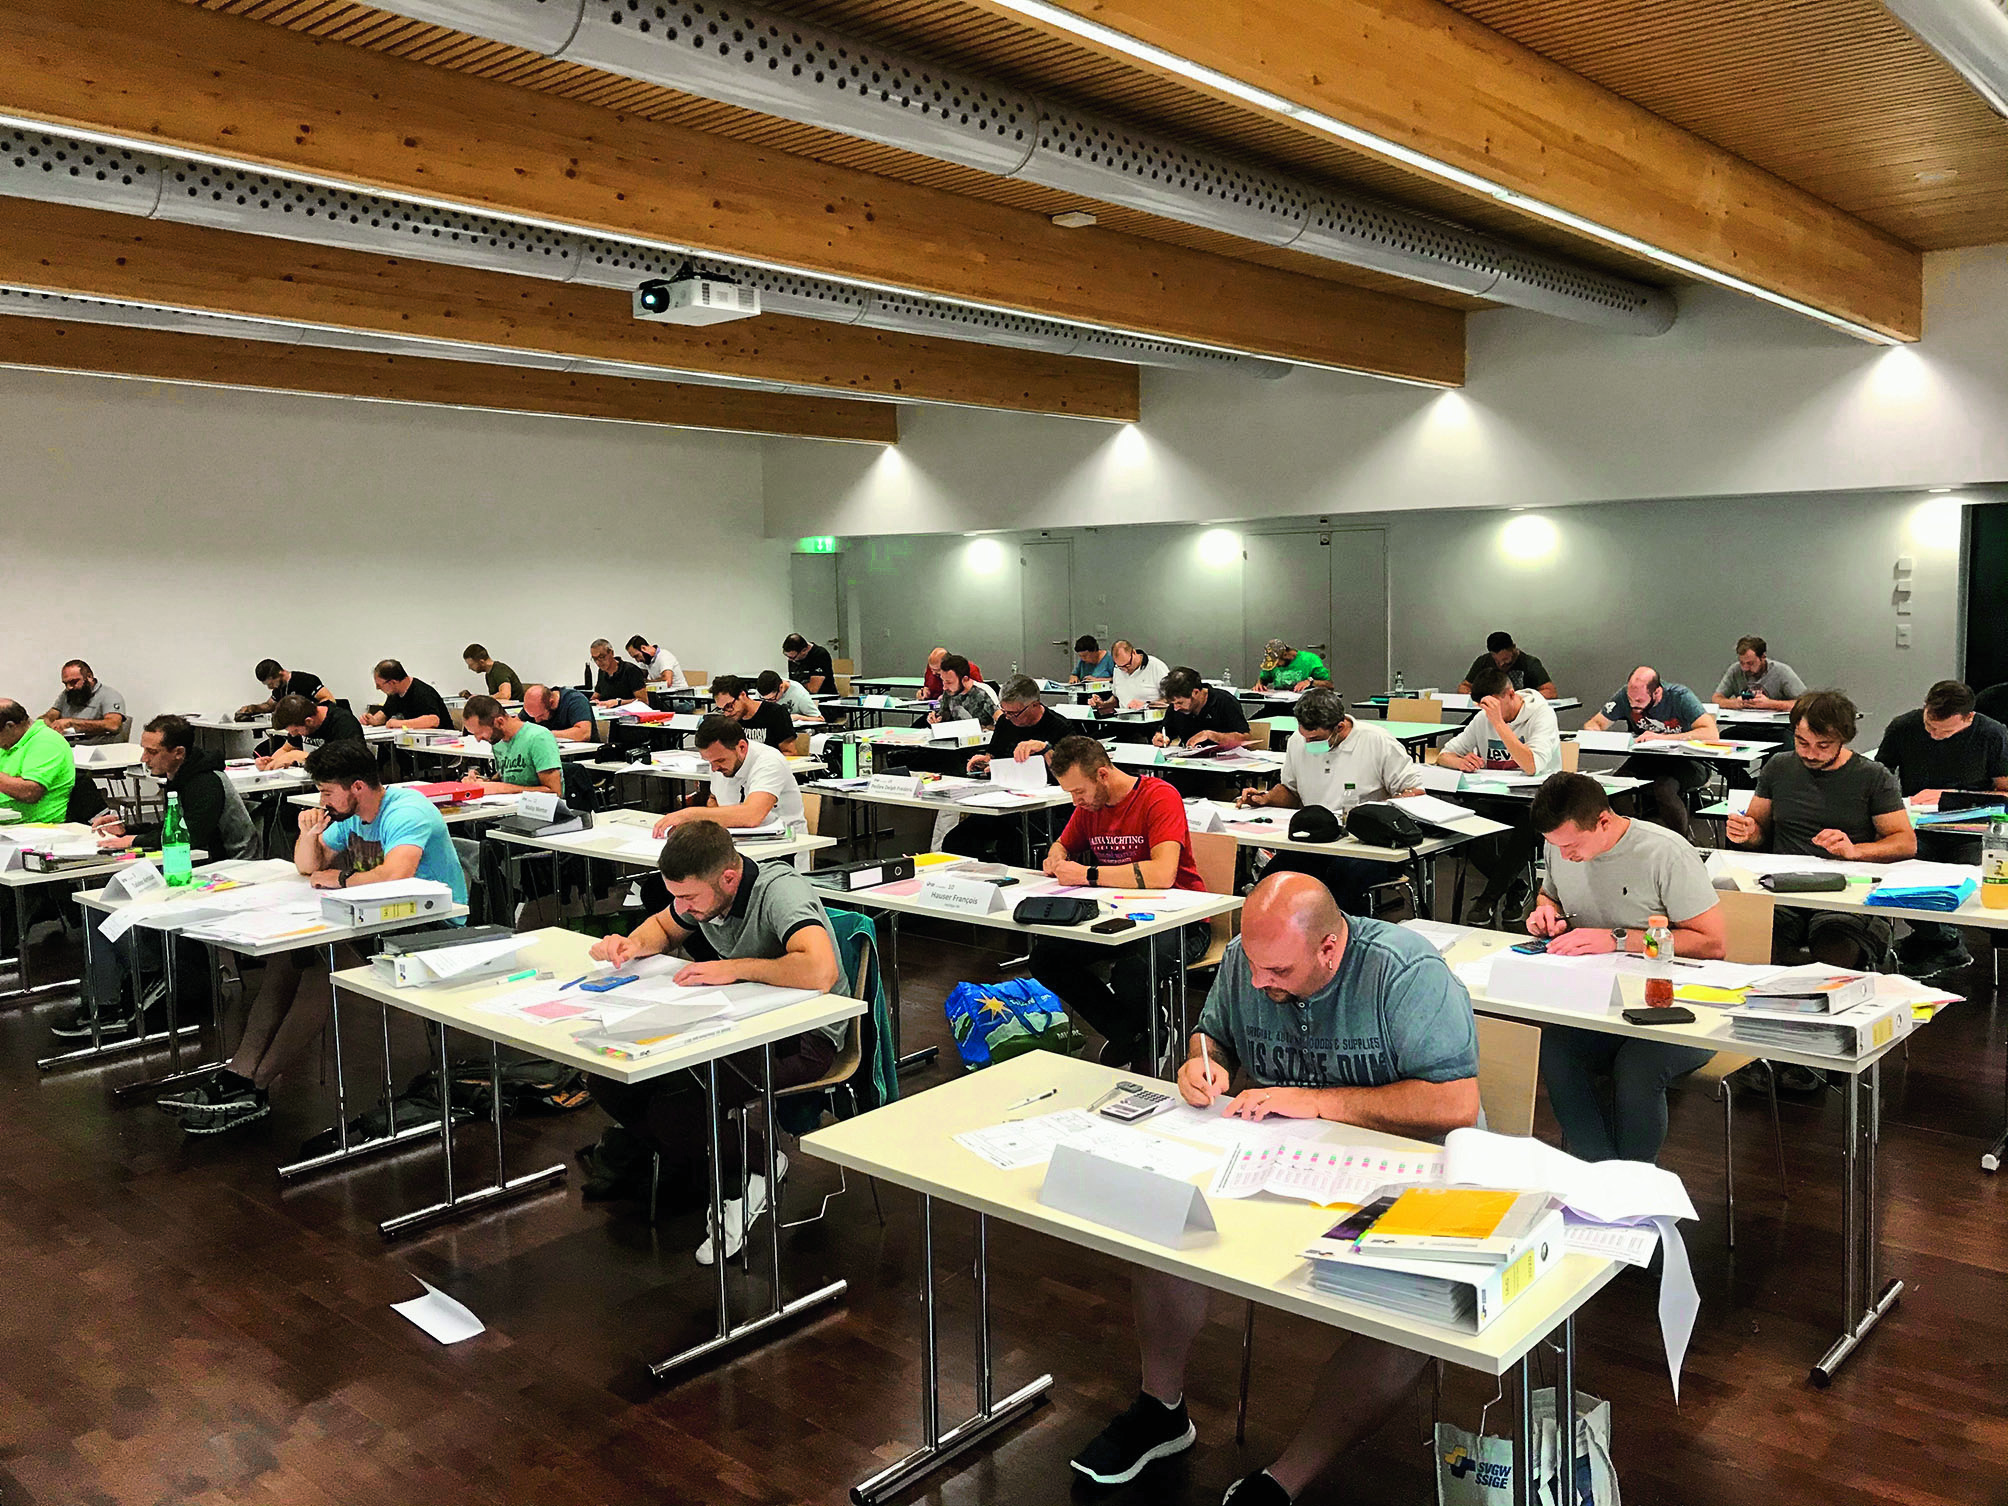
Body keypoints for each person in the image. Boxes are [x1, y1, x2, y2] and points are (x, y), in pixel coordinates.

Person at [1071, 872, 1478, 1501]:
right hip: (1283, 1159)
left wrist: (1316, 1104)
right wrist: (1200, 1065)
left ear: (1329, 950)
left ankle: (1286, 1480)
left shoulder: (1404, 971)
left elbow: (1453, 1102)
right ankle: (1161, 1411)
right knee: (1162, 1219)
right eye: (1255, 966)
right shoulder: (1245, 959)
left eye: (1279, 972)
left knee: (1408, 1307)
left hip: (1407, 1174)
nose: (1261, 982)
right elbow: (1215, 1038)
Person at [159, 739, 467, 1134]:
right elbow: (307, 868)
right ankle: (239, 1075)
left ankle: (257, 1083)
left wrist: (340, 877)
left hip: (430, 924)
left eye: (326, 792)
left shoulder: (406, 810)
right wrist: (309, 835)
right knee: (286, 958)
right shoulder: (350, 815)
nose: (322, 800)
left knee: (324, 965)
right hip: (373, 919)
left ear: (357, 787)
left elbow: (396, 874)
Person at [582, 820, 846, 1260]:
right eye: (675, 896)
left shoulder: (781, 891)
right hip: (740, 1023)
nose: (682, 906)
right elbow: (663, 929)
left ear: (729, 877)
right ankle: (742, 1167)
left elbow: (821, 972)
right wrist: (630, 946)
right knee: (611, 1082)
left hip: (806, 1035)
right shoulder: (703, 895)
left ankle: (752, 1173)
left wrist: (735, 966)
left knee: (679, 1102)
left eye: (688, 897)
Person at [1524, 773, 1726, 1162]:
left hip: (1679, 1005)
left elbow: (1712, 943)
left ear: (1603, 821)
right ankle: (1600, 1173)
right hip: (1603, 998)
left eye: (1572, 846)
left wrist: (1616, 938)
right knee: (1558, 1050)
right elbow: (1550, 893)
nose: (1565, 856)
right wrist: (1546, 912)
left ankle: (1635, 1182)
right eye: (1555, 847)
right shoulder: (1561, 847)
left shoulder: (1665, 852)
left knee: (1638, 1066)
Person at [56, 715, 263, 1040]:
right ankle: (117, 996)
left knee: (116, 903)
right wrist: (132, 829)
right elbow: (174, 829)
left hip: (227, 874)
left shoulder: (205, 781)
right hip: (195, 868)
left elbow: (191, 837)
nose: (144, 758)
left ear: (178, 752)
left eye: (152, 751)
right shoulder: (183, 777)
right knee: (101, 902)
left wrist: (133, 842)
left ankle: (144, 982)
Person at [1030, 737, 1211, 1068]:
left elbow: (1162, 874)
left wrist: (1088, 874)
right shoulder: (1090, 808)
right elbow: (1063, 844)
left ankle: (1144, 1037)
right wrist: (1056, 856)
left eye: (1078, 792)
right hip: (1119, 915)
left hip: (1182, 919)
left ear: (1102, 775)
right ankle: (1134, 1033)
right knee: (1046, 958)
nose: (1075, 802)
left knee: (1133, 971)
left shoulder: (1158, 796)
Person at [1727, 690, 1914, 968]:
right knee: (1755, 948)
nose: (1810, 753)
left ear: (1843, 739)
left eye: (1823, 745)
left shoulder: (1872, 776)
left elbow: (1905, 842)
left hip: (1843, 893)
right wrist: (1747, 833)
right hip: (1782, 889)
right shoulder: (1779, 766)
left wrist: (1855, 850)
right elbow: (1759, 831)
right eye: (1802, 742)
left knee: (1835, 955)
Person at [1236, 688, 1423, 914]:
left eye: (1315, 739)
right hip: (1318, 839)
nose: (1308, 743)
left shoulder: (1377, 741)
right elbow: (1291, 791)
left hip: (1366, 845)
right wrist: (1265, 799)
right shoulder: (1298, 741)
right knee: (1274, 877)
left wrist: (1377, 815)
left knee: (1342, 877)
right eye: (1304, 736)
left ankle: (1340, 935)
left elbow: (1414, 792)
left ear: (1340, 727)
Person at [1875, 679, 2008, 975]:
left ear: (1968, 718)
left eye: (1945, 731)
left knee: (1963, 877)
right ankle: (1942, 941)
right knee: (1900, 869)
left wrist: (1950, 798)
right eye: (1929, 726)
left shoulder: (1992, 733)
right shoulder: (1903, 727)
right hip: (1917, 825)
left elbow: (2004, 792)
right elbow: (1880, 775)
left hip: (1972, 829)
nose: (1934, 735)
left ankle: (1935, 940)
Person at [1435, 663, 1563, 925]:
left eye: (1494, 706)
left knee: (1525, 826)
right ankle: (1515, 887)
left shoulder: (1541, 715)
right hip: (1495, 795)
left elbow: (1531, 765)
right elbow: (1444, 753)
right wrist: (1458, 762)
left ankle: (1488, 899)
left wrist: (1498, 724)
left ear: (1511, 694)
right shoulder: (1483, 717)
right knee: (1459, 825)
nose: (1489, 713)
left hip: (1538, 800)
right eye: (1484, 708)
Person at [943, 675, 1076, 862]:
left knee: (1013, 844)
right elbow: (995, 754)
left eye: (1015, 713)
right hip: (1005, 802)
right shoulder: (1006, 722)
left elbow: (1070, 774)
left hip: (1045, 808)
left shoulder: (1060, 727)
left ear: (1035, 705)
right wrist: (987, 761)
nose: (1009, 717)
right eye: (1005, 712)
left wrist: (1045, 749)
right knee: (955, 841)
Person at [1581, 665, 1719, 838]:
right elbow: (1595, 723)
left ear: (1657, 693)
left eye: (1639, 701)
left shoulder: (1680, 696)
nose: (1633, 705)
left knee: (1663, 787)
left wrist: (1662, 738)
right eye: (1631, 700)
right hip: (1647, 758)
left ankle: (1682, 841)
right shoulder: (1626, 696)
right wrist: (1595, 733)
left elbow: (1711, 733)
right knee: (1616, 786)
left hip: (1687, 761)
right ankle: (1633, 836)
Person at [652, 714, 807, 838]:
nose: (714, 768)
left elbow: (752, 815)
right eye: (709, 761)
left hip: (782, 848)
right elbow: (714, 799)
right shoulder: (719, 763)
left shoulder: (770, 761)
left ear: (741, 747)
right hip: (736, 843)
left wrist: (690, 814)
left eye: (720, 760)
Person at [460, 695, 561, 796]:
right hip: (511, 806)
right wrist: (482, 781)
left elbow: (555, 792)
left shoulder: (538, 738)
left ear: (499, 722)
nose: (478, 739)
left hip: (539, 809)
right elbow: (510, 776)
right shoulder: (498, 741)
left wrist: (503, 788)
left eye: (480, 732)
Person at [0, 698, 75, 823]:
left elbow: (29, 792)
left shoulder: (47, 742)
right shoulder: (9, 741)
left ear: (10, 726)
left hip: (31, 828)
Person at [258, 693, 365, 770]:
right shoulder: (299, 720)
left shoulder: (343, 723)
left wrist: (297, 755)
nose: (294, 735)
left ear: (308, 721)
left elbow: (350, 761)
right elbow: (287, 749)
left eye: (296, 731)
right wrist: (270, 763)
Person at [1152, 666, 1251, 749]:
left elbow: (1245, 739)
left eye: (1180, 703)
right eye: (1173, 703)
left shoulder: (1224, 701)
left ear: (1195, 692)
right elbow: (1166, 731)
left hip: (1224, 763)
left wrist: (1211, 735)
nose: (1176, 708)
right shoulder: (1176, 707)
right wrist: (1160, 737)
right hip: (1189, 763)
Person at [1711, 635, 1806, 710]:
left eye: (1750, 663)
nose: (1745, 668)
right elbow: (1716, 698)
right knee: (1725, 735)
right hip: (1745, 725)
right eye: (1742, 663)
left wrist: (1771, 704)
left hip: (1777, 728)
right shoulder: (1735, 670)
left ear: (1763, 657)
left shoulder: (1782, 672)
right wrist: (1735, 703)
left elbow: (1806, 703)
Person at [43, 660, 128, 743]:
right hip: (67, 747)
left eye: (74, 682)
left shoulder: (109, 695)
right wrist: (46, 722)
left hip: (97, 749)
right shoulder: (67, 694)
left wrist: (72, 723)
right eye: (66, 684)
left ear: (89, 677)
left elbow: (113, 725)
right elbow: (51, 715)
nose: (69, 687)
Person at [1458, 632, 1558, 699]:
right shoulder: (1483, 661)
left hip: (1521, 715)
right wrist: (1474, 697)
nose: (1501, 664)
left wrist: (1520, 698)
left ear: (1513, 648)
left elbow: (1551, 692)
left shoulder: (1530, 664)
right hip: (1488, 713)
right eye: (1497, 661)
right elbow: (1464, 687)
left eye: (1506, 659)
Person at [711, 675, 796, 749]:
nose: (726, 714)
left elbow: (789, 753)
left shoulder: (776, 713)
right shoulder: (730, 720)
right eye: (722, 709)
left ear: (742, 695)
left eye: (729, 706)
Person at [362, 659, 449, 730]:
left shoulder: (423, 692)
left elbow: (433, 720)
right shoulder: (394, 694)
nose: (377, 688)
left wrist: (399, 724)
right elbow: (385, 712)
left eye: (379, 685)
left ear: (392, 682)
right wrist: (373, 720)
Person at [237, 658, 332, 719]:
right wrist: (253, 708)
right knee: (260, 751)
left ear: (280, 674)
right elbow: (269, 706)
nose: (270, 688)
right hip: (291, 732)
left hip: (310, 729)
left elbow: (328, 699)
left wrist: (310, 714)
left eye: (271, 684)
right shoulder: (279, 688)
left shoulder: (305, 680)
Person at [1091, 640, 1168, 712]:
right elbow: (1117, 698)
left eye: (1128, 665)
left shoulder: (1155, 666)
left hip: (1151, 720)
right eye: (1121, 667)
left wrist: (1147, 705)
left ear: (1134, 653)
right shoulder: (1117, 669)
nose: (1126, 670)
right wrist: (1103, 704)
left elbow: (1171, 698)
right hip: (1124, 718)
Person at [928, 654, 996, 729]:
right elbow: (944, 715)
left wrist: (983, 728)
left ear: (965, 679)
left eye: (949, 682)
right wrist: (935, 718)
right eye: (942, 681)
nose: (944, 687)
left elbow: (1003, 723)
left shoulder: (983, 693)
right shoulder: (949, 692)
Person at [523, 682, 595, 743]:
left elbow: (584, 734)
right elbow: (516, 726)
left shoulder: (575, 700)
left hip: (581, 755)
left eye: (540, 716)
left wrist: (546, 734)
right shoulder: (534, 705)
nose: (537, 720)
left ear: (551, 703)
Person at [1255, 638, 1329, 692]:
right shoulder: (1273, 665)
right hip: (1277, 704)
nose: (1276, 666)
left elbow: (1329, 685)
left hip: (1303, 707)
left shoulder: (1310, 660)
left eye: (1277, 663)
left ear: (1285, 655)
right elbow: (1263, 678)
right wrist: (1259, 684)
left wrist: (1310, 682)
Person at [589, 638, 647, 705]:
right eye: (595, 659)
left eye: (601, 657)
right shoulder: (602, 672)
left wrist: (618, 702)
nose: (598, 662)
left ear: (611, 653)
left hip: (630, 713)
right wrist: (594, 701)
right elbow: (596, 696)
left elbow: (643, 701)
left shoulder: (630, 670)